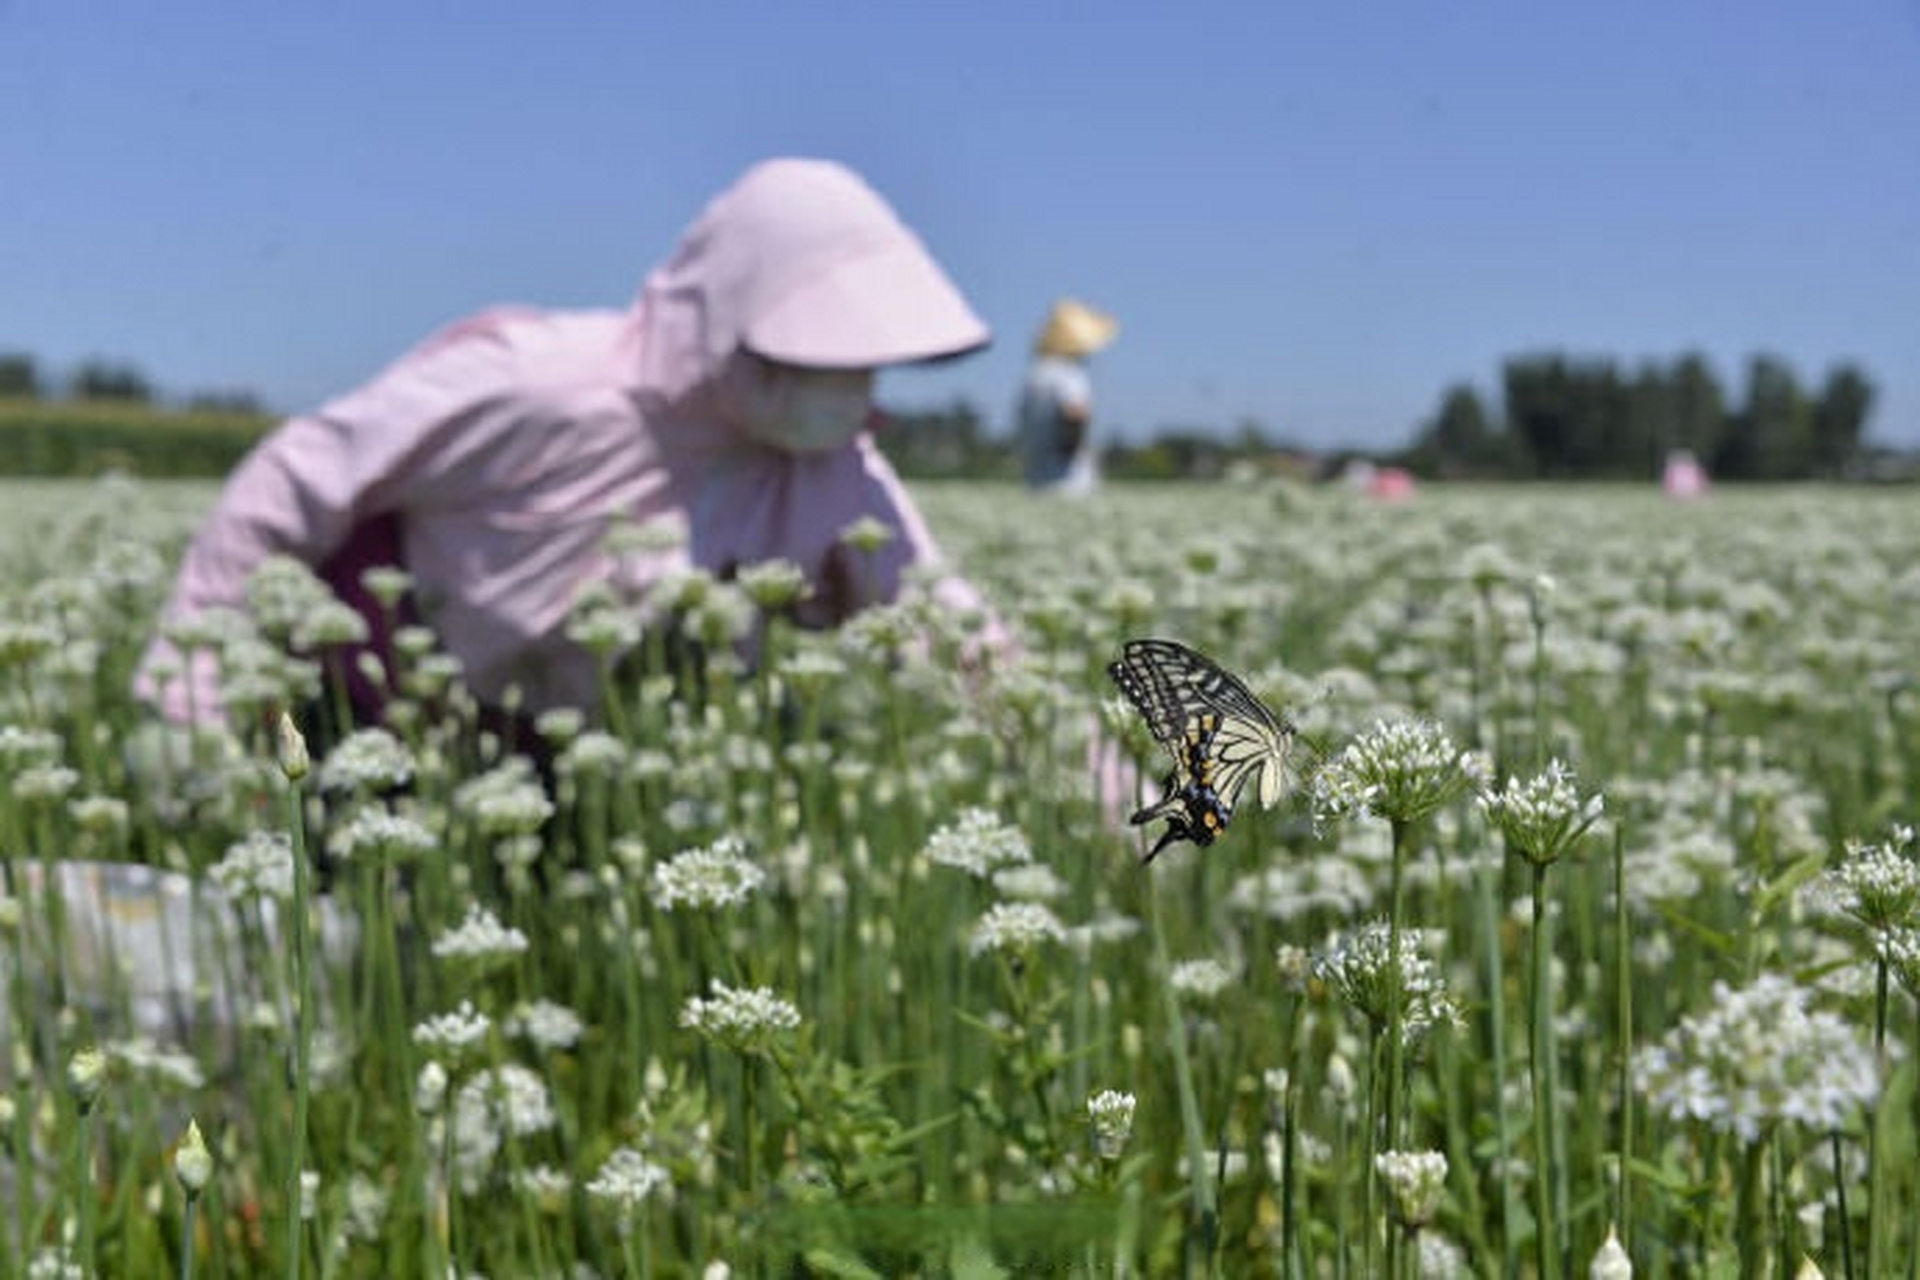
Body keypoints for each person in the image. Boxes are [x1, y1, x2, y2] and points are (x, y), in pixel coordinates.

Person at [133, 158, 997, 739]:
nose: (845, 387)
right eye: (815, 356)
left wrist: (1107, 792)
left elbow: (957, 634)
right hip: (376, 711)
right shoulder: (540, 382)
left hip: (598, 761)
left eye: (860, 362)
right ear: (734, 323)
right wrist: (194, 696)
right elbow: (297, 477)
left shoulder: (839, 471)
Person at [1017, 298, 1117, 493]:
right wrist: (1075, 453)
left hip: (1036, 478)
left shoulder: (1035, 375)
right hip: (1069, 479)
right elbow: (1075, 414)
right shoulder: (1070, 374)